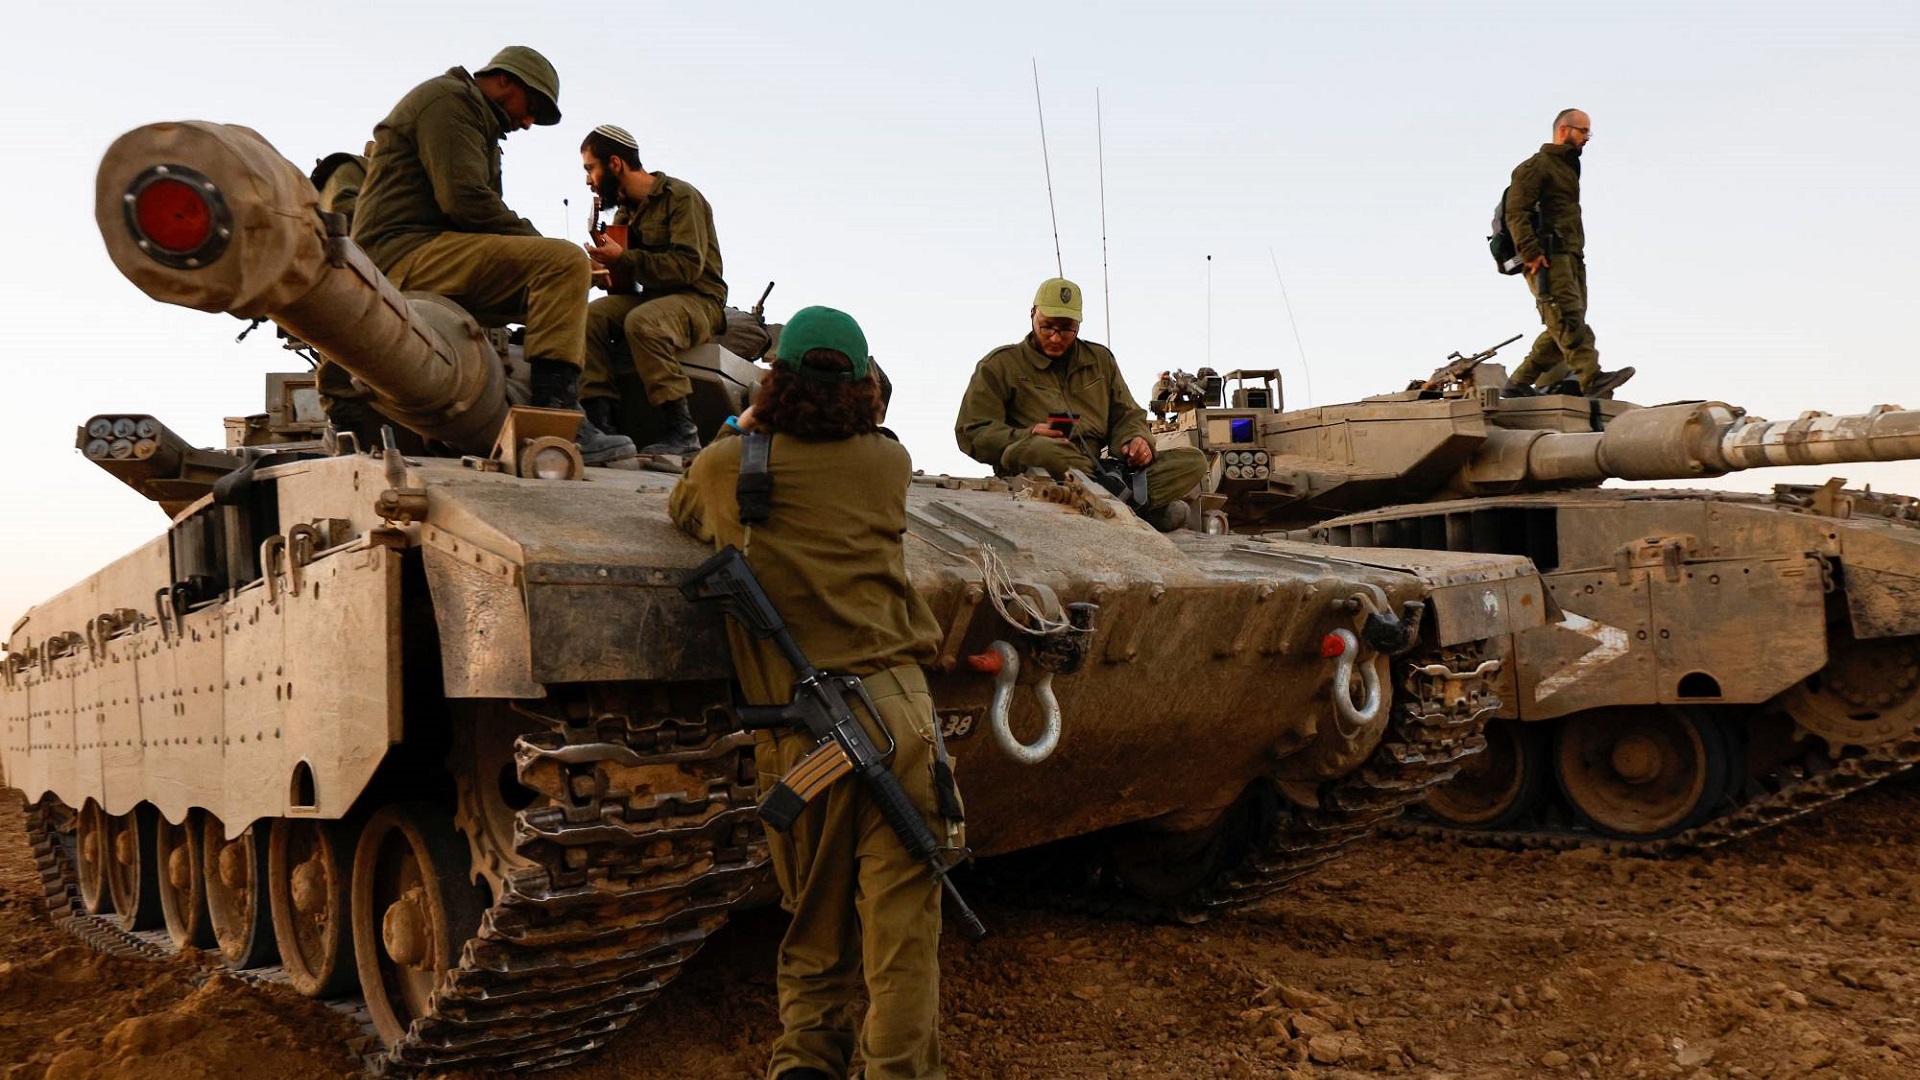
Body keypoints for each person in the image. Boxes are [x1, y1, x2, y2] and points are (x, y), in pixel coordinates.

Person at [669, 306, 960, 1080]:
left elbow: (684, 508)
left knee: (816, 926)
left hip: (807, 735)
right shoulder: (887, 464)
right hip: (903, 721)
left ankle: (805, 1060)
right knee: (904, 935)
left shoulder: (727, 468)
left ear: (775, 381)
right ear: (864, 387)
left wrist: (743, 426)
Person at [351, 46, 633, 462]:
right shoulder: (449, 100)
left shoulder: (474, 119)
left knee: (561, 287)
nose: (528, 122)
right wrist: (550, 250)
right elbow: (466, 201)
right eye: (531, 107)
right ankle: (556, 418)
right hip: (400, 254)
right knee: (563, 264)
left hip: (424, 250)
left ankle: (543, 415)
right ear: (504, 80)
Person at [954, 277, 1208, 530]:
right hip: (1040, 468)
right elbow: (972, 431)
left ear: (1079, 324)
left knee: (1193, 462)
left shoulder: (1099, 360)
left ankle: (1113, 498)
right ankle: (1130, 504)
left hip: (1101, 468)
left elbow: (1126, 414)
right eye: (1047, 327)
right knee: (1046, 450)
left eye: (1066, 329)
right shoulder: (1000, 365)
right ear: (1032, 315)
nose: (1056, 338)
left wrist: (1135, 440)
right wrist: (1028, 434)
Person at [580, 124, 728, 457]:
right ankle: (600, 427)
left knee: (643, 322)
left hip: (699, 300)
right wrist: (603, 272)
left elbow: (688, 266)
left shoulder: (681, 197)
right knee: (591, 317)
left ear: (615, 164)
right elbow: (626, 281)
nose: (588, 180)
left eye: (591, 169)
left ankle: (682, 431)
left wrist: (624, 258)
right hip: (652, 298)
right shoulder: (624, 212)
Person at [1501, 108, 1635, 398]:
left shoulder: (1566, 168)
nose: (1587, 137)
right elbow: (1516, 212)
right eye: (1583, 131)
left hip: (1571, 257)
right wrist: (1531, 252)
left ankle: (1516, 384)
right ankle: (1592, 379)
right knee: (1568, 320)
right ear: (1564, 130)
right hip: (1546, 258)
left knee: (1564, 324)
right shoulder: (1536, 166)